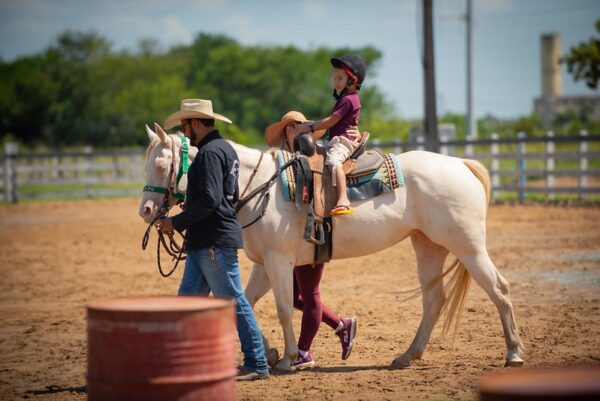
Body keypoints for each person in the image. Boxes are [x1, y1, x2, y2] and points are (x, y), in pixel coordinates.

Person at [157, 98, 269, 381]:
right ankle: (183, 361)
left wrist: (175, 222)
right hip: (208, 239)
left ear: (196, 123)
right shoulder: (225, 150)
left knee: (233, 302)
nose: (184, 133)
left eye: (185, 126)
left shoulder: (208, 154)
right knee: (188, 303)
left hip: (212, 241)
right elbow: (221, 197)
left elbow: (210, 199)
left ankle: (257, 362)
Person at [265, 111, 358, 369]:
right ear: (284, 133)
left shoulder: (316, 158)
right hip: (292, 237)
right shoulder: (281, 163)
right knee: (297, 298)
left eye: (298, 127)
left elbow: (316, 194)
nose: (294, 131)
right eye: (289, 128)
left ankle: (304, 352)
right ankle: (341, 324)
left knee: (310, 293)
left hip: (314, 231)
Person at [294, 54, 367, 216]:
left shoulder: (348, 100)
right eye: (334, 78)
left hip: (343, 141)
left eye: (340, 78)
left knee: (334, 162)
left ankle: (343, 199)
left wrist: (311, 127)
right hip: (335, 140)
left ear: (352, 81)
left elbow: (332, 121)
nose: (335, 82)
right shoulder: (346, 99)